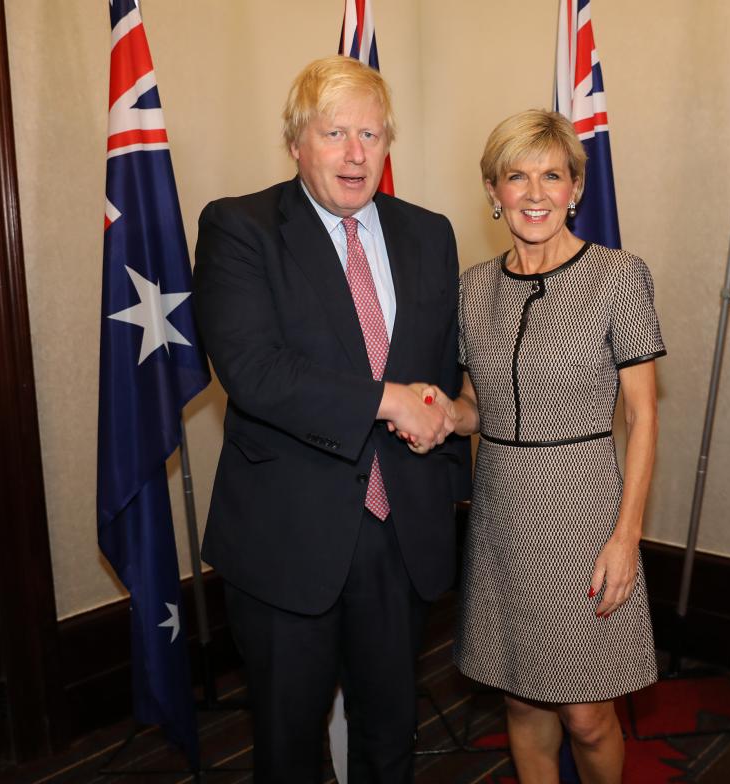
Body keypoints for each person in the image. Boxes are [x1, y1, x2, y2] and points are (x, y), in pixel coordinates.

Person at [192, 55, 469, 783]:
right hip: (289, 538)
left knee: (390, 740)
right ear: (295, 143)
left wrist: (447, 418)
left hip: (399, 532)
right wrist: (389, 399)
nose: (355, 154)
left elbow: (441, 372)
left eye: (371, 135)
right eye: (335, 132)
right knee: (288, 751)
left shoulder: (429, 233)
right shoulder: (240, 227)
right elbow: (254, 374)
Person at [417, 110, 665, 782]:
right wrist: (439, 412)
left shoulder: (619, 276)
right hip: (503, 519)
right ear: (493, 192)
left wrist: (627, 538)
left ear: (575, 189)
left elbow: (643, 417)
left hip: (585, 514)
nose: (534, 192)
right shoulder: (471, 290)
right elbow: (478, 409)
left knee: (587, 716)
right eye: (516, 176)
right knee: (523, 703)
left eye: (552, 175)